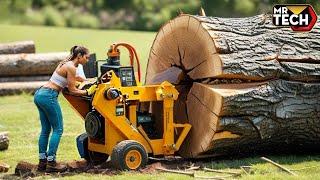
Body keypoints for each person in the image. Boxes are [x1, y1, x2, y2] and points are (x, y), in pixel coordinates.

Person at [33, 46, 97, 172]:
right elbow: (73, 89)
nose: (87, 60)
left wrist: (88, 80)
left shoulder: (66, 63)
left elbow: (72, 79)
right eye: (86, 57)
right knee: (58, 129)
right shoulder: (72, 67)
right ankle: (51, 162)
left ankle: (42, 162)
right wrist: (87, 92)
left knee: (45, 130)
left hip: (40, 94)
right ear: (79, 56)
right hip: (49, 96)